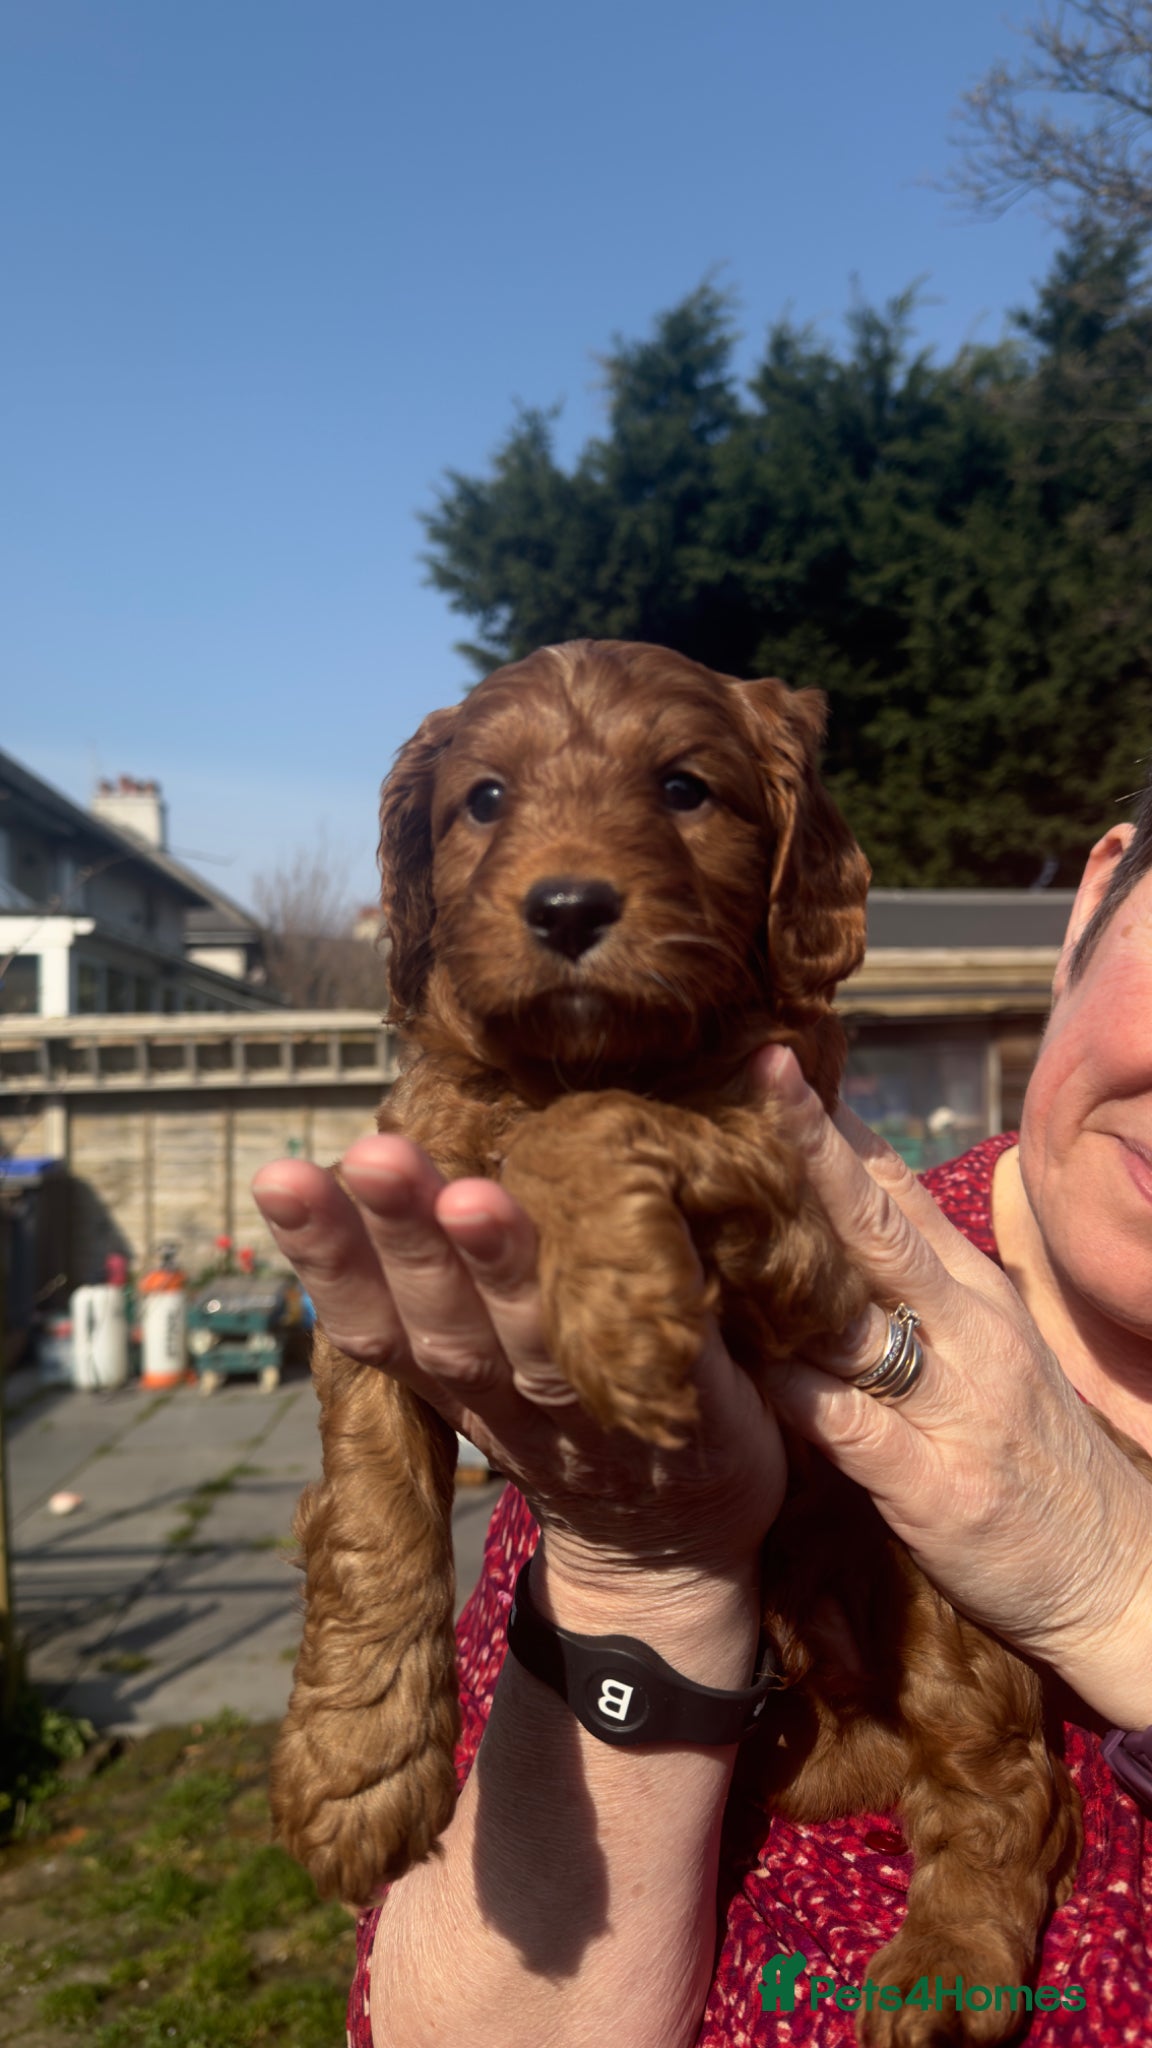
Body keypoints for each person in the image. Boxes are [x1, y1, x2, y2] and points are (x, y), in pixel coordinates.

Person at [252, 783, 1152, 2048]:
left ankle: (981, 1872)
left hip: (924, 1743)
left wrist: (1123, 1589)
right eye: (488, 802)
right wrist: (632, 1570)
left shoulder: (751, 1065)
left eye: (680, 793)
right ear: (1098, 898)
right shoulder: (886, 1204)